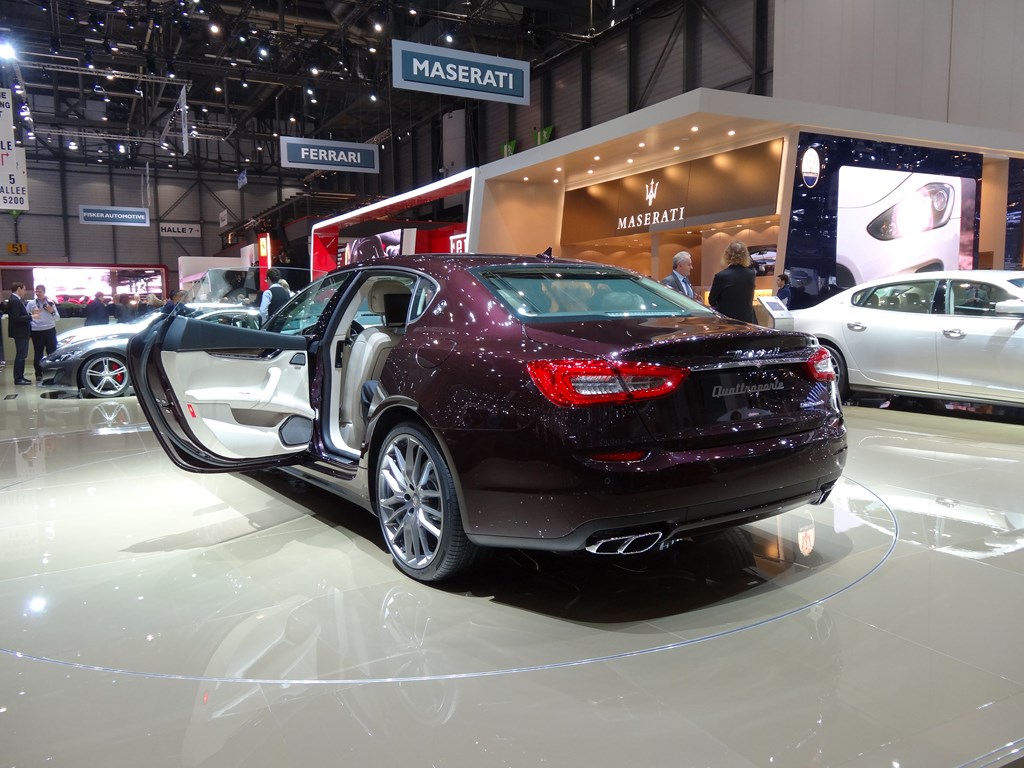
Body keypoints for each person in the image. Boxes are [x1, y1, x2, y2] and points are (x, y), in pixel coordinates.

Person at [708, 241, 757, 323]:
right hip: (748, 321)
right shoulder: (751, 275)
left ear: (727, 255)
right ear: (745, 256)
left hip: (728, 322)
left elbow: (712, 301)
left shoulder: (721, 276)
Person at [27, 285, 60, 383]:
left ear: (44, 292)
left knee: (52, 352)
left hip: (50, 330)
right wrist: (33, 315)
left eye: (40, 291)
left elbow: (57, 318)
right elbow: (26, 316)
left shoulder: (50, 303)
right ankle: (38, 373)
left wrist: (51, 311)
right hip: (36, 331)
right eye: (36, 291)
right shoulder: (31, 303)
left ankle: (52, 372)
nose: (38, 293)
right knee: (38, 353)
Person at [6, 283, 33, 384]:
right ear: (19, 289)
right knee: (21, 355)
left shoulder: (14, 299)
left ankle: (20, 377)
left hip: (20, 332)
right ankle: (18, 378)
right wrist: (31, 317)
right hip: (20, 332)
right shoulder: (15, 301)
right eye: (24, 289)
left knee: (21, 355)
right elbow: (16, 318)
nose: (25, 292)